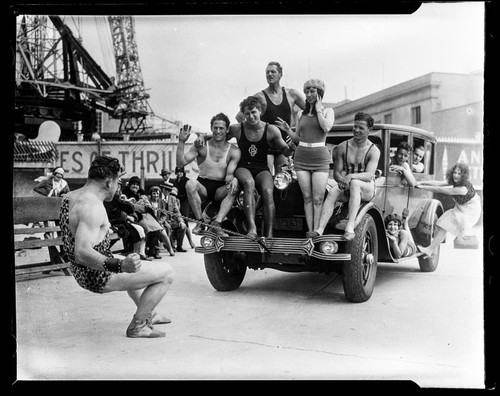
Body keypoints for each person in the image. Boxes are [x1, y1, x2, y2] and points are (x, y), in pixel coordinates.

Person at [58, 155, 174, 339]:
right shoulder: (92, 207)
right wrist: (120, 266)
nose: (119, 185)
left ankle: (149, 313)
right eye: (118, 181)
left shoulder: (70, 196)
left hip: (82, 272)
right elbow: (81, 252)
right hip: (97, 276)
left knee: (132, 263)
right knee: (167, 273)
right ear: (108, 181)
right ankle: (138, 325)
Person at [229, 96, 296, 238]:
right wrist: (202, 139)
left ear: (260, 111)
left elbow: (285, 151)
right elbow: (218, 137)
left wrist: (291, 146)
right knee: (249, 183)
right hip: (243, 167)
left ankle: (269, 233)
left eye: (254, 112)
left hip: (261, 168)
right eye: (247, 114)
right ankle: (252, 229)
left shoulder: (271, 130)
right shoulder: (237, 129)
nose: (251, 117)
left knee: (267, 190)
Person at [275, 78, 334, 237]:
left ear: (319, 93)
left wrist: (318, 109)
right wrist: (288, 130)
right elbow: (298, 138)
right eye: (306, 91)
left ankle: (317, 230)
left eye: (312, 91)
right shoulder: (300, 113)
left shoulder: (328, 111)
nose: (308, 94)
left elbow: (326, 127)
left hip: (320, 157)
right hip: (301, 157)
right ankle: (310, 231)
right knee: (307, 197)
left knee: (318, 198)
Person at [311, 112, 381, 240]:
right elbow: (337, 173)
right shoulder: (343, 147)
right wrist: (343, 181)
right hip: (348, 186)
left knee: (355, 183)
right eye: (355, 126)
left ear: (369, 130)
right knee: (333, 191)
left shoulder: (373, 150)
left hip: (367, 189)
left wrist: (350, 177)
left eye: (361, 128)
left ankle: (350, 227)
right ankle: (320, 229)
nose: (356, 130)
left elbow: (369, 176)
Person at [176, 116, 241, 237]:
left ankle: (217, 222)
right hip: (203, 186)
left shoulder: (234, 151)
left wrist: (235, 179)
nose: (217, 131)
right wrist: (181, 142)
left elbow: (229, 176)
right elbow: (181, 162)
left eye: (221, 128)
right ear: (211, 128)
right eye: (215, 128)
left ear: (227, 130)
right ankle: (200, 222)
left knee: (235, 188)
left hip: (220, 189)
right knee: (190, 184)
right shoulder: (201, 145)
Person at [236, 61, 305, 174]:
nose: (270, 74)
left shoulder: (292, 94)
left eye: (273, 71)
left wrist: (297, 131)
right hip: (266, 147)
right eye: (267, 72)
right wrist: (252, 136)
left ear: (280, 74)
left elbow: (309, 112)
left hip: (284, 145)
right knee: (265, 178)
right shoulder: (260, 96)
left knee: (283, 181)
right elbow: (240, 117)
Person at [415, 162, 482, 258]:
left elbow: (439, 189)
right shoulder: (455, 181)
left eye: (459, 174)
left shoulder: (462, 188)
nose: (456, 175)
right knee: (439, 223)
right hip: (461, 207)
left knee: (444, 225)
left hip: (470, 211)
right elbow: (439, 183)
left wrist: (422, 187)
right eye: (455, 172)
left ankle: (430, 250)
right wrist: (421, 182)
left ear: (464, 176)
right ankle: (433, 251)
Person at [104, 178, 151, 261]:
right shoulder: (109, 196)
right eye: (116, 185)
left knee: (139, 230)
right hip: (113, 221)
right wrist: (127, 217)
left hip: (121, 220)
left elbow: (128, 209)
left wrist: (127, 202)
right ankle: (134, 255)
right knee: (138, 230)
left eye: (119, 185)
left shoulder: (118, 196)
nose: (118, 187)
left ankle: (137, 254)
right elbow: (114, 212)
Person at [157, 184, 188, 252]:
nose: (167, 192)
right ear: (163, 189)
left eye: (169, 190)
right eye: (166, 189)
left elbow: (176, 211)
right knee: (168, 227)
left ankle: (179, 246)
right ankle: (171, 247)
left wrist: (181, 221)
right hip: (162, 220)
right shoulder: (158, 197)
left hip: (172, 220)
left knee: (183, 226)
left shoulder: (172, 199)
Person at [147, 185, 176, 256]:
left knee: (164, 233)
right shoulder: (148, 202)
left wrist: (161, 221)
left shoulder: (161, 202)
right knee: (158, 231)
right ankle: (155, 250)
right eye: (154, 193)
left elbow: (164, 214)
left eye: (157, 193)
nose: (156, 195)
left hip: (159, 221)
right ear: (151, 194)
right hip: (150, 222)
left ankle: (170, 249)